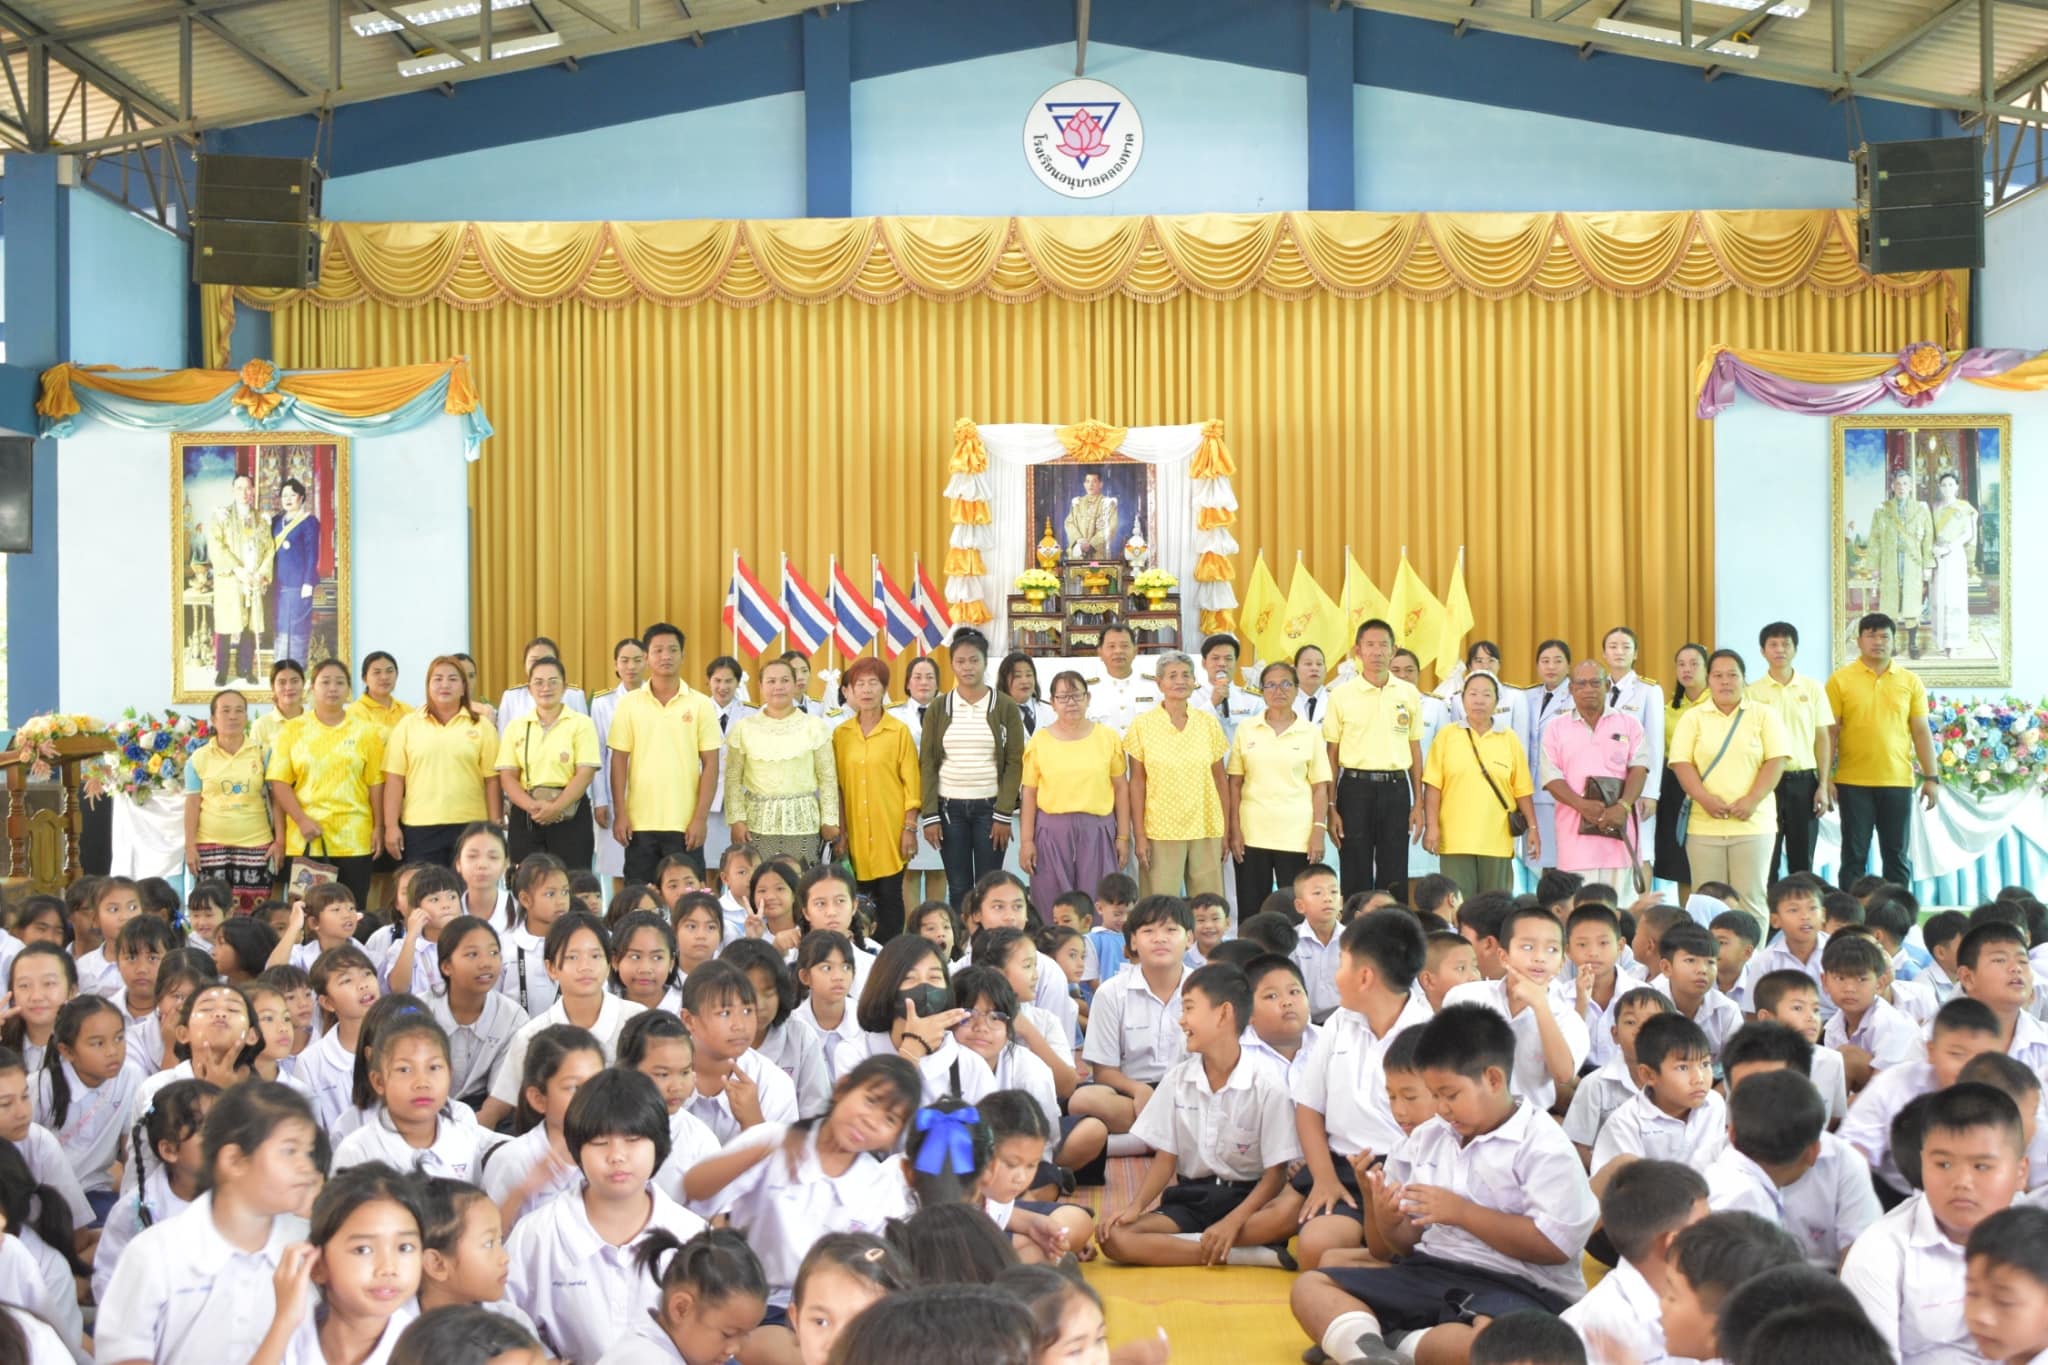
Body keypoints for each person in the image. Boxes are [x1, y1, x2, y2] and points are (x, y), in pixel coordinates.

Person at [1288, 1003, 1599, 1365]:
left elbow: (1554, 1246)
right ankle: (1373, 1354)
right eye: (1435, 1096)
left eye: (1450, 1095)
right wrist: (1387, 1219)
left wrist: (1462, 1213)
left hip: (1520, 1288)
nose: (1442, 1108)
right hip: (1431, 1271)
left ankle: (1377, 1342)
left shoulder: (1543, 1143)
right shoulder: (1428, 1138)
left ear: (1494, 1079)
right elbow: (1398, 1249)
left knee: (1488, 1343)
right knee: (1312, 1286)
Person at [94, 1081, 321, 1365]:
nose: (306, 1167)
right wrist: (284, 1321)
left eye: (308, 1152)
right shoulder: (154, 1255)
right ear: (234, 1160)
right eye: (290, 1151)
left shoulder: (309, 1249)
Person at [1098, 963, 1302, 1267]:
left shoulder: (1267, 1084)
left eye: (1189, 1008)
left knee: (1290, 1212)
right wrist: (1136, 1206)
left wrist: (1233, 1222)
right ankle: (1242, 1254)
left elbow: (1275, 1176)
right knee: (1115, 1237)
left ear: (1223, 1013)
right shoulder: (1177, 1080)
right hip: (1191, 1199)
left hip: (1248, 1201)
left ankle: (1210, 1241)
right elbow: (1166, 1158)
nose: (1182, 1021)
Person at [1844, 1082, 2030, 1361]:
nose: (1962, 1182)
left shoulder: (2038, 1238)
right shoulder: (1879, 1254)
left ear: (2020, 1172)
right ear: (1922, 1164)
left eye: (1982, 1166)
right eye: (1943, 1164)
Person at [1668, 649, 1791, 919]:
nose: (1725, 682)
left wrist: (1752, 800)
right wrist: (1704, 799)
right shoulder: (1694, 717)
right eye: (1718, 675)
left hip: (1753, 823)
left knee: (1751, 898)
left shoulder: (1763, 715)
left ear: (1744, 679)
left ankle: (1751, 960)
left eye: (1732, 675)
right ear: (1708, 680)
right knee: (1706, 900)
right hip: (1704, 825)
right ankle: (1706, 958)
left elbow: (1776, 760)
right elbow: (1681, 763)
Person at [1827, 612, 1940, 887]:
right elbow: (1830, 732)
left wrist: (1931, 778)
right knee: (1854, 856)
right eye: (1871, 635)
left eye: (1884, 636)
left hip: (1897, 780)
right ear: (1859, 641)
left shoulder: (1910, 681)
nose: (1878, 641)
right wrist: (1826, 777)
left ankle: (1899, 922)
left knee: (1896, 856)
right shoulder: (1840, 680)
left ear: (1893, 641)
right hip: (1853, 782)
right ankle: (1849, 921)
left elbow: (1921, 731)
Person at [608, 622, 724, 886]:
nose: (666, 656)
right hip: (639, 823)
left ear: (683, 656)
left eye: (672, 650)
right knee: (640, 899)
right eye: (658, 650)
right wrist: (621, 813)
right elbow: (618, 761)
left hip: (685, 826)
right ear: (646, 658)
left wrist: (700, 819)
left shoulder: (701, 704)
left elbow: (711, 764)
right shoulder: (629, 704)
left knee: (688, 902)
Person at [267, 658, 387, 910]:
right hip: (307, 838)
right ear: (312, 688)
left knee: (352, 912)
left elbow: (376, 783)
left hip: (354, 838)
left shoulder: (366, 732)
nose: (333, 688)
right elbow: (279, 782)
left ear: (349, 690)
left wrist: (379, 827)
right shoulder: (293, 729)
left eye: (340, 682)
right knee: (308, 914)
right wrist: (301, 820)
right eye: (325, 682)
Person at [919, 629, 1025, 908]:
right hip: (949, 809)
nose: (967, 667)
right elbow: (928, 762)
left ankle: (989, 947)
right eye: (961, 661)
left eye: (974, 660)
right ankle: (960, 949)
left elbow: (1015, 761)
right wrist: (930, 814)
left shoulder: (1004, 706)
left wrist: (1003, 813)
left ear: (985, 663)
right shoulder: (939, 707)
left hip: (991, 810)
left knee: (990, 886)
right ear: (952, 664)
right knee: (958, 887)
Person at [1323, 619, 1424, 901]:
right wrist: (1331, 806)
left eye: (1383, 645)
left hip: (1396, 789)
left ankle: (1392, 932)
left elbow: (1415, 750)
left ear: (1394, 650)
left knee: (1394, 868)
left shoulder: (1408, 693)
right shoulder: (1341, 695)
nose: (1377, 651)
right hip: (1354, 789)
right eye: (1370, 645)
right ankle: (1355, 934)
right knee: (1354, 867)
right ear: (1358, 650)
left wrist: (1419, 802)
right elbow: (1331, 755)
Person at [1228, 660, 1333, 913]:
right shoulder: (1247, 728)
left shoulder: (1310, 732)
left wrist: (1318, 830)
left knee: (1294, 908)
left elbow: (1320, 787)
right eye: (1271, 685)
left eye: (1286, 683)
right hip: (1252, 831)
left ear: (1297, 689)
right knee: (1252, 908)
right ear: (1261, 691)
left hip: (1296, 834)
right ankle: (1253, 954)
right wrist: (1234, 830)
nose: (1279, 691)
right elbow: (1234, 783)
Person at [1423, 669, 1538, 895]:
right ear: (1462, 699)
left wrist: (1533, 828)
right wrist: (1432, 827)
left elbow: (1522, 790)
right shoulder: (1447, 736)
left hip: (1497, 839)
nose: (1479, 700)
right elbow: (1433, 787)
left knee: (1495, 906)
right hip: (1455, 839)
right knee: (1459, 905)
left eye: (1486, 695)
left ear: (1497, 701)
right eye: (1473, 694)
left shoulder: (1509, 738)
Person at [1124, 652, 1229, 899]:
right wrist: (1139, 836)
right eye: (1172, 676)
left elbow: (1220, 780)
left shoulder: (1207, 724)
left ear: (1195, 681)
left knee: (1208, 905)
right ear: (1159, 683)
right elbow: (1137, 784)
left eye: (1186, 675)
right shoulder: (1143, 725)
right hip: (1160, 829)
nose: (1180, 681)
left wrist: (1226, 829)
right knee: (1160, 906)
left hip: (1206, 825)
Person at [1541, 660, 1649, 899]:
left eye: (1595, 682)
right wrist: (1582, 806)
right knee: (1581, 914)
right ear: (1571, 689)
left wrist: (1623, 806)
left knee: (1622, 914)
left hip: (1619, 837)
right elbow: (1551, 777)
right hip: (1575, 844)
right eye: (1581, 683)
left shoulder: (1630, 724)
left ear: (1608, 685)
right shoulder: (1555, 728)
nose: (1588, 689)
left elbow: (1639, 769)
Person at [831, 657, 921, 942]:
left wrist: (909, 828)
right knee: (858, 900)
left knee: (890, 898)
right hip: (855, 834)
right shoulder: (841, 735)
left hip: (891, 832)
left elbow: (912, 785)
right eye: (860, 684)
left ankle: (890, 959)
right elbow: (839, 789)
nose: (867, 690)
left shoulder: (898, 732)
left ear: (884, 688)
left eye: (874, 683)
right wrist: (841, 833)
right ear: (849, 691)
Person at [384, 655, 502, 868]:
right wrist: (391, 826)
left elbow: (492, 781)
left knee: (468, 894)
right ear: (428, 686)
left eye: (453, 679)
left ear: (464, 687)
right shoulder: (408, 725)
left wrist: (494, 826)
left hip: (470, 825)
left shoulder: (482, 726)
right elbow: (394, 780)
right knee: (426, 892)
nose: (445, 685)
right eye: (437, 679)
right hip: (420, 826)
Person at [725, 658, 840, 868]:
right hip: (756, 825)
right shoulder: (744, 728)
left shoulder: (815, 726)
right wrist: (736, 820)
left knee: (802, 886)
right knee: (762, 885)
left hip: (804, 822)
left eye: (785, 680)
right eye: (771, 681)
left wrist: (830, 820)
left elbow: (828, 778)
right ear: (760, 686)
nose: (778, 686)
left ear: (796, 684)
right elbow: (732, 779)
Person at [1746, 622, 1835, 881]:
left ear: (1795, 649)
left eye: (1786, 644)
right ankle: (1770, 921)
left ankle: (1803, 916)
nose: (1779, 650)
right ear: (1763, 651)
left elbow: (1822, 738)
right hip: (1766, 783)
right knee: (1767, 858)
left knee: (1802, 859)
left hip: (1804, 781)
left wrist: (1823, 784)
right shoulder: (1752, 692)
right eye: (1773, 644)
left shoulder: (1813, 688)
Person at [496, 652, 600, 870]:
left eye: (553, 682)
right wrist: (533, 807)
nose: (546, 688)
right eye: (539, 682)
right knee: (526, 882)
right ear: (529, 688)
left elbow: (585, 773)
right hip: (526, 816)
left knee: (573, 882)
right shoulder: (517, 726)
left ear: (564, 687)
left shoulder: (581, 724)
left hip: (570, 814)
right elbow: (507, 776)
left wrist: (556, 807)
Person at [183, 688, 280, 914]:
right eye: (225, 710)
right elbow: (192, 804)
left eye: (239, 711)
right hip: (209, 847)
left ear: (246, 717)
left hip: (256, 846)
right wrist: (189, 846)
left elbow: (276, 800)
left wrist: (279, 841)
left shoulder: (262, 753)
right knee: (213, 914)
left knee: (254, 917)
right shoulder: (198, 758)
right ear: (213, 718)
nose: (233, 716)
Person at [1602, 627, 1669, 878]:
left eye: (1625, 647)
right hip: (1603, 785)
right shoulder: (1596, 688)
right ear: (1604, 654)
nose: (1619, 652)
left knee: (1641, 852)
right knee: (1607, 852)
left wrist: (1651, 792)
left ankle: (1642, 915)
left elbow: (1654, 743)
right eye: (1613, 646)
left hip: (1636, 785)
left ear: (1635, 653)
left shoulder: (1649, 691)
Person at [890, 654, 947, 905]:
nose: (923, 682)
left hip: (944, 800)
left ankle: (935, 927)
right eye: (917, 677)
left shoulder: (952, 713)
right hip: (905, 803)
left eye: (930, 677)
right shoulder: (893, 717)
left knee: (939, 868)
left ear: (938, 683)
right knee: (909, 869)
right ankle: (911, 931)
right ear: (907, 684)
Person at [590, 636, 646, 893]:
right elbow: (598, 753)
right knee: (616, 865)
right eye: (625, 660)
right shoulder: (603, 703)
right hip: (616, 795)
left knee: (648, 863)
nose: (631, 666)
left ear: (646, 661)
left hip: (649, 793)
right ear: (615, 664)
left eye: (636, 660)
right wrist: (599, 799)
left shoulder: (655, 698)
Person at [209, 471, 273, 687]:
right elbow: (217, 546)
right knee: (226, 624)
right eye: (240, 488)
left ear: (253, 490)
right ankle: (222, 669)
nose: (244, 493)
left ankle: (245, 668)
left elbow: (269, 550)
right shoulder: (222, 516)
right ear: (233, 490)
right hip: (231, 579)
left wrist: (261, 573)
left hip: (253, 579)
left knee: (250, 625)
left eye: (248, 488)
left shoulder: (261, 520)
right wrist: (237, 569)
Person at [1867, 466, 1934, 651]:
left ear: (1911, 486)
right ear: (1892, 486)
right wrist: (1875, 565)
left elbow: (1928, 537)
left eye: (1905, 483)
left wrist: (1927, 565)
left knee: (1912, 602)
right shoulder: (1882, 509)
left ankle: (1913, 644)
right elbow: (1875, 538)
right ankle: (1892, 644)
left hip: (1913, 562)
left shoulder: (1921, 509)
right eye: (1898, 483)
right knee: (1890, 603)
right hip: (1890, 562)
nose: (1902, 487)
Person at [1928, 469, 1979, 656]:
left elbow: (1968, 533)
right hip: (1937, 555)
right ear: (1940, 487)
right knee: (1938, 596)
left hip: (1955, 554)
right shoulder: (1935, 507)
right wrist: (1934, 548)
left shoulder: (1964, 507)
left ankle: (1954, 644)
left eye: (1951, 484)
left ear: (1957, 486)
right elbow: (1931, 531)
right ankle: (1940, 640)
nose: (1947, 488)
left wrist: (1949, 547)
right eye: (1944, 485)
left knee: (1953, 596)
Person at [1084, 622, 1159, 734]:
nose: (1118, 651)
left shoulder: (1155, 687)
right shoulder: (1086, 690)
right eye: (1111, 646)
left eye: (1124, 646)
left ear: (1135, 651)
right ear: (1100, 652)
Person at [1190, 633, 1262, 746]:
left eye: (1228, 659)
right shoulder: (1189, 697)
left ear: (1236, 663)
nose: (1222, 664)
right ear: (1204, 663)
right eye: (1215, 658)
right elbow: (1187, 733)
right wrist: (1212, 703)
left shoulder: (1253, 700)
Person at [250, 658, 306, 756]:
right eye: (282, 682)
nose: (289, 687)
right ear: (272, 687)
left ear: (303, 683)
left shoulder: (316, 722)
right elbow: (254, 766)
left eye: (295, 681)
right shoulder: (261, 726)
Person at [996, 653, 1056, 738]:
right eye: (1017, 676)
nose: (1024, 681)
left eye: (1029, 675)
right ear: (1004, 681)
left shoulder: (1051, 711)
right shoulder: (996, 714)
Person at [1065, 470, 1118, 559]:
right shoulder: (1077, 503)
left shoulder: (1108, 503)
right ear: (1084, 484)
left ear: (1100, 484)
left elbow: (1111, 527)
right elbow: (1069, 523)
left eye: (1094, 481)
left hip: (1098, 554)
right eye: (1088, 481)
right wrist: (1079, 539)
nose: (1090, 485)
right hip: (1078, 552)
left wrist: (1091, 544)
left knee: (1097, 572)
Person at [1293, 644, 1331, 725]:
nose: (1315, 668)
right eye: (1308, 664)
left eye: (1319, 664)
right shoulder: (1285, 701)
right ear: (1295, 670)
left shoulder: (1336, 699)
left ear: (1325, 670)